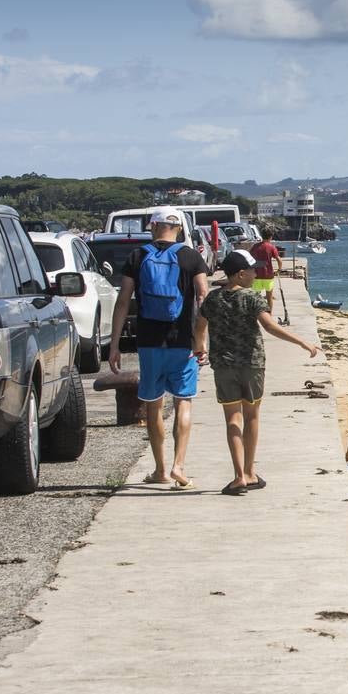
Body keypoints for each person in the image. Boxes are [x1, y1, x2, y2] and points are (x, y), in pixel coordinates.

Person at [195, 250, 319, 495]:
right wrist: (302, 342)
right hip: (252, 365)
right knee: (251, 416)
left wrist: (200, 348)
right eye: (253, 270)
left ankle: (239, 475)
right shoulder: (252, 298)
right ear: (241, 274)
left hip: (223, 366)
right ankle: (250, 472)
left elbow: (199, 327)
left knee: (232, 418)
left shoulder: (213, 298)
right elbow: (270, 326)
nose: (256, 273)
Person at [109, 207, 210, 489]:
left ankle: (160, 470)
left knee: (153, 406)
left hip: (149, 342)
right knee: (184, 402)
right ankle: (179, 465)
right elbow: (203, 296)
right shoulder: (190, 256)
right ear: (179, 229)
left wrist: (115, 344)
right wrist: (201, 338)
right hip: (184, 343)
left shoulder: (137, 256)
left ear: (152, 227)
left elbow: (123, 301)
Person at [248, 229, 284, 313]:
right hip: (268, 275)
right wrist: (279, 269)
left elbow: (249, 258)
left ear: (261, 236)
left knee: (256, 296)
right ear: (271, 237)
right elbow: (279, 260)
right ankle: (269, 314)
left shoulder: (255, 246)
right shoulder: (271, 247)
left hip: (256, 275)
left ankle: (256, 313)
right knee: (269, 297)